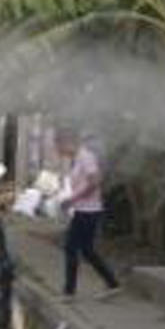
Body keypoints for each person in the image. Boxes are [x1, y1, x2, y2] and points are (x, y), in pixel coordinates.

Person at [55, 128, 120, 299]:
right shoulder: (77, 159)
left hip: (89, 211)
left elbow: (94, 182)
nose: (59, 152)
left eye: (59, 148)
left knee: (71, 247)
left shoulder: (86, 157)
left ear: (67, 143)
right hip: (84, 210)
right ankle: (112, 283)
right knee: (87, 250)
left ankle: (69, 292)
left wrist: (72, 200)